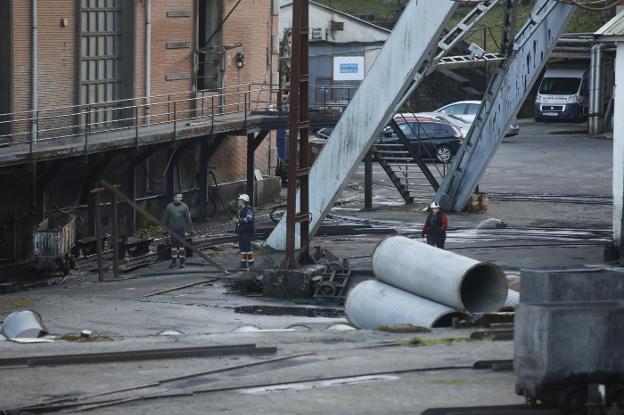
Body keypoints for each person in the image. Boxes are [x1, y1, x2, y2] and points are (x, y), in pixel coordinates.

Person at [163, 193, 193, 268]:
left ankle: (182, 262)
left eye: (181, 197)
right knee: (173, 246)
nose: (181, 199)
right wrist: (164, 229)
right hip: (172, 229)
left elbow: (188, 219)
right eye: (179, 197)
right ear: (174, 198)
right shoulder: (169, 207)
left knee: (181, 246)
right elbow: (165, 218)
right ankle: (173, 262)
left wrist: (190, 229)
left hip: (181, 229)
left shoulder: (184, 207)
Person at [235, 194, 254, 269]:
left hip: (246, 231)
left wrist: (239, 220)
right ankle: (243, 264)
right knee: (242, 248)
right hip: (242, 231)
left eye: (239, 200)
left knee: (247, 248)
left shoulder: (248, 209)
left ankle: (251, 264)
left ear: (243, 201)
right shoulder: (241, 210)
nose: (238, 202)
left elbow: (249, 218)